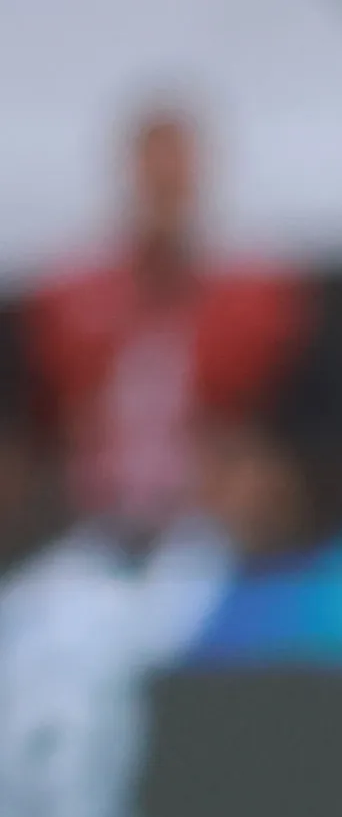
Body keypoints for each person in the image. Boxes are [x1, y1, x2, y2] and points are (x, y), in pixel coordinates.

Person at [16, 106, 308, 540]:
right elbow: (44, 412)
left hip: (208, 512)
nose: (165, 184)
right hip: (92, 510)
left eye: (177, 168)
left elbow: (273, 412)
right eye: (155, 169)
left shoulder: (255, 295)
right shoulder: (71, 295)